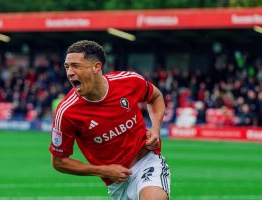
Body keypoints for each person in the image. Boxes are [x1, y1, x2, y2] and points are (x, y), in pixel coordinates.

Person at [49, 40, 171, 200]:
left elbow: (155, 96)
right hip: (116, 183)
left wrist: (155, 129)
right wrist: (103, 170)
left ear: (96, 67)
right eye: (67, 67)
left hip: (147, 161)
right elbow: (59, 161)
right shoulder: (67, 112)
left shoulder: (129, 81)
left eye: (75, 66)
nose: (69, 72)